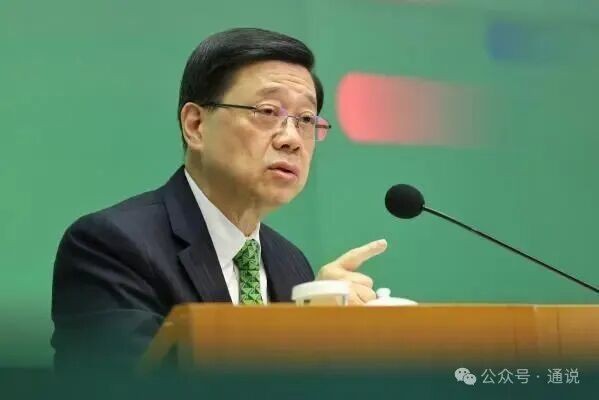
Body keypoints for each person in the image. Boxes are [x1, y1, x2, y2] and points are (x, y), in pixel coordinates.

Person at [51, 27, 387, 371]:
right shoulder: (112, 246)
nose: (292, 139)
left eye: (305, 119)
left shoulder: (290, 263)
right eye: (267, 111)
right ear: (196, 125)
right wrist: (303, 334)